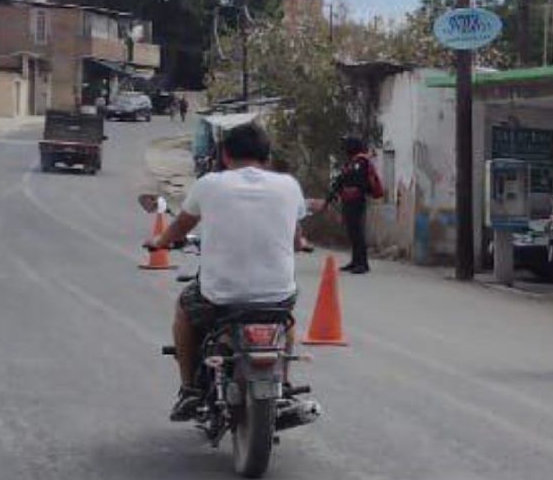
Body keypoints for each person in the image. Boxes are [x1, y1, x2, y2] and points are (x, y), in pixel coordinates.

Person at [147, 122, 309, 421]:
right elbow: (297, 239)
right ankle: (283, 384)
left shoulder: (209, 184)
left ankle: (190, 390)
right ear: (267, 156)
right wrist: (300, 243)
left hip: (220, 299)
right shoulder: (289, 186)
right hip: (277, 296)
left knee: (184, 309)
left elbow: (180, 226)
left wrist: (160, 241)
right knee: (286, 319)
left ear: (224, 154)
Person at [330, 136, 383, 274]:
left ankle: (363, 263)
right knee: (352, 231)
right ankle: (355, 261)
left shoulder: (361, 162)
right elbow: (343, 179)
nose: (345, 149)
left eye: (347, 146)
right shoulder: (352, 162)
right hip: (348, 200)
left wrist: (348, 185)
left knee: (357, 231)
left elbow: (360, 182)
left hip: (357, 200)